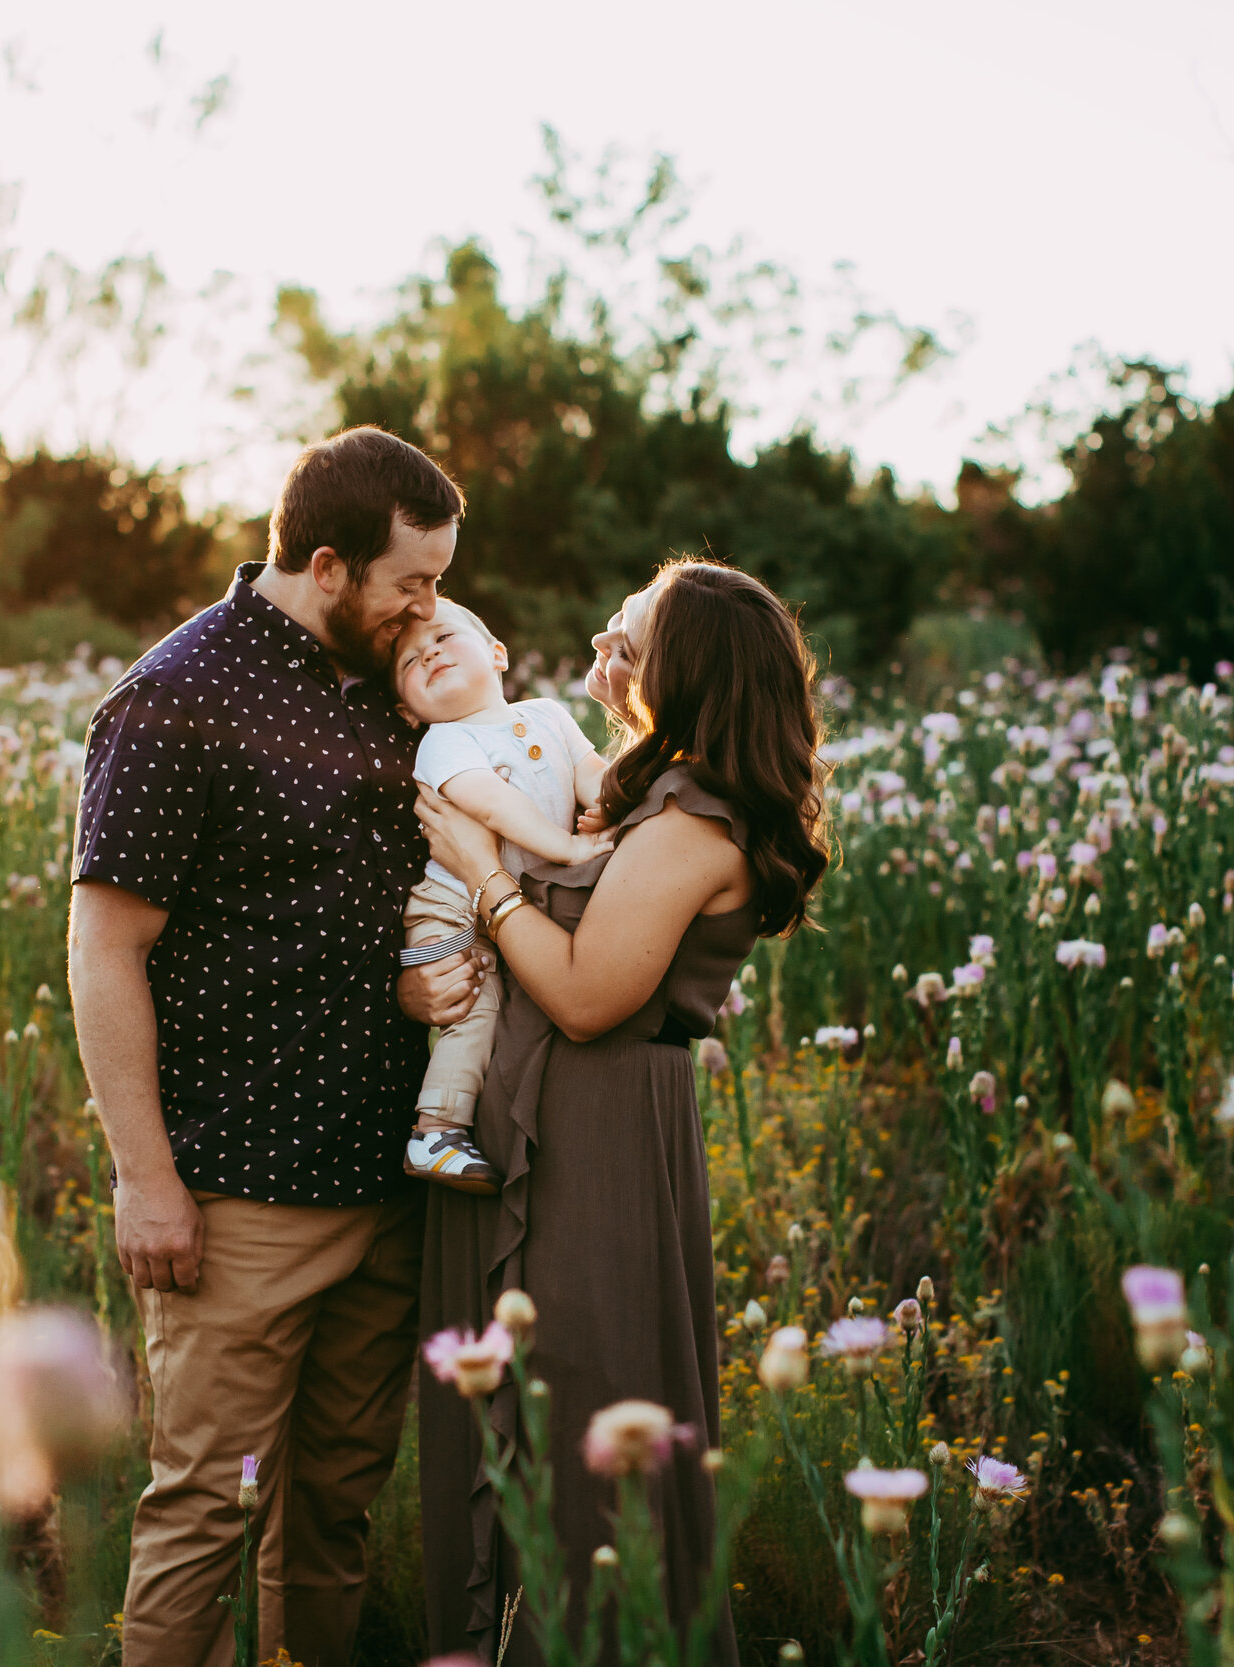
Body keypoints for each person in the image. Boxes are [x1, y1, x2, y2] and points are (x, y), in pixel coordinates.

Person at [67, 425, 479, 1667]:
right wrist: (147, 1179)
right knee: (212, 1505)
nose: (431, 604)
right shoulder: (175, 698)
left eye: (441, 580)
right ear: (325, 561)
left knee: (334, 1511)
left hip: (384, 1180)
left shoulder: (397, 680)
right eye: (412, 580)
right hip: (242, 1198)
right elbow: (105, 951)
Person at [408, 558, 832, 1664]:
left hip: (595, 1139)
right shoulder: (641, 788)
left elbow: (591, 994)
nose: (603, 638)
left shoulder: (693, 823)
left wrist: (482, 875)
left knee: (584, 1403)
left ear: (683, 672)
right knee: (528, 1407)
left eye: (628, 634)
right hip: (533, 1114)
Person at [390, 600, 613, 1193]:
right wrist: (565, 847)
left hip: (510, 905)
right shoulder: (443, 742)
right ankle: (435, 1130)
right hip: (449, 910)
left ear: (497, 654)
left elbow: (591, 772)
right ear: (408, 710)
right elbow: (493, 803)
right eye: (410, 660)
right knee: (473, 1008)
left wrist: (609, 808)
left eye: (443, 637)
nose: (429, 652)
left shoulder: (547, 713)